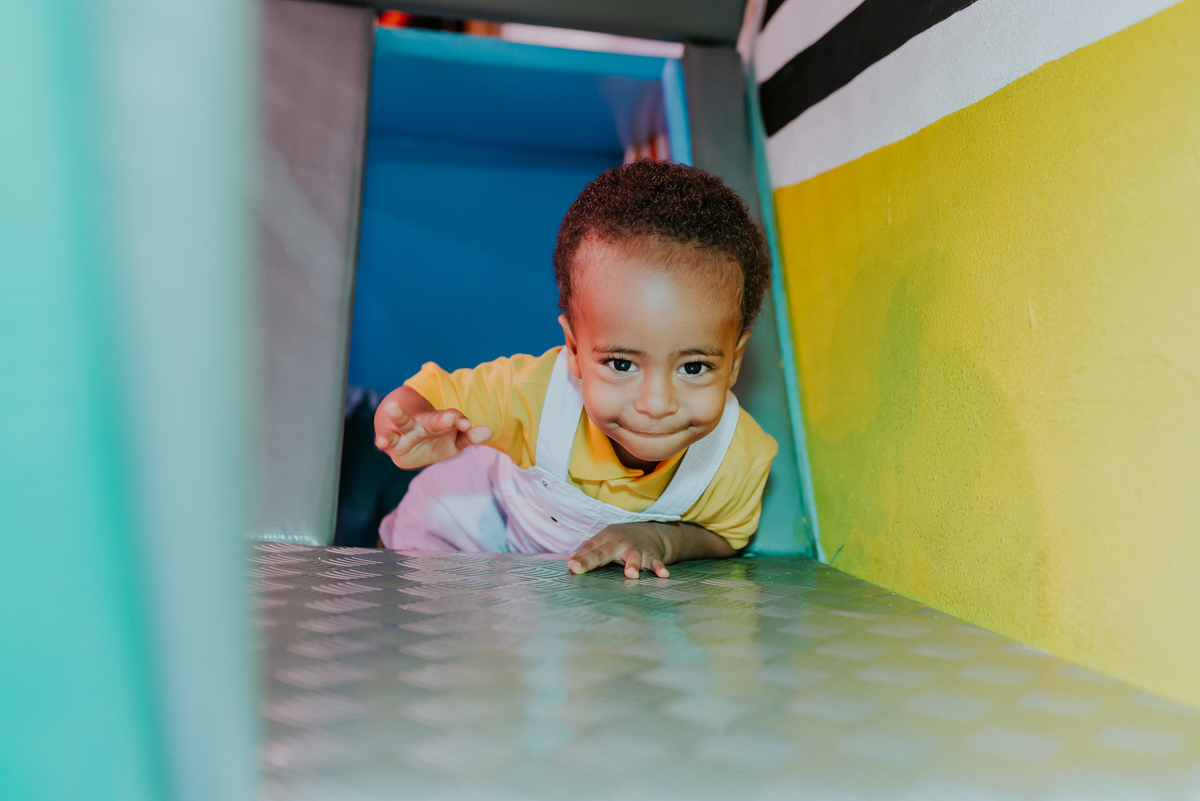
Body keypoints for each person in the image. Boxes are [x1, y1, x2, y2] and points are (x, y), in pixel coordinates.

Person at [373, 161, 777, 578]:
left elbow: (727, 537)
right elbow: (428, 396)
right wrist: (407, 420)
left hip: (542, 589)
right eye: (622, 363)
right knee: (403, 564)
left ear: (735, 361)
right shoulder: (533, 393)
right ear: (573, 348)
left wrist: (662, 539)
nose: (657, 403)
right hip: (483, 512)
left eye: (693, 367)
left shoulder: (736, 458)